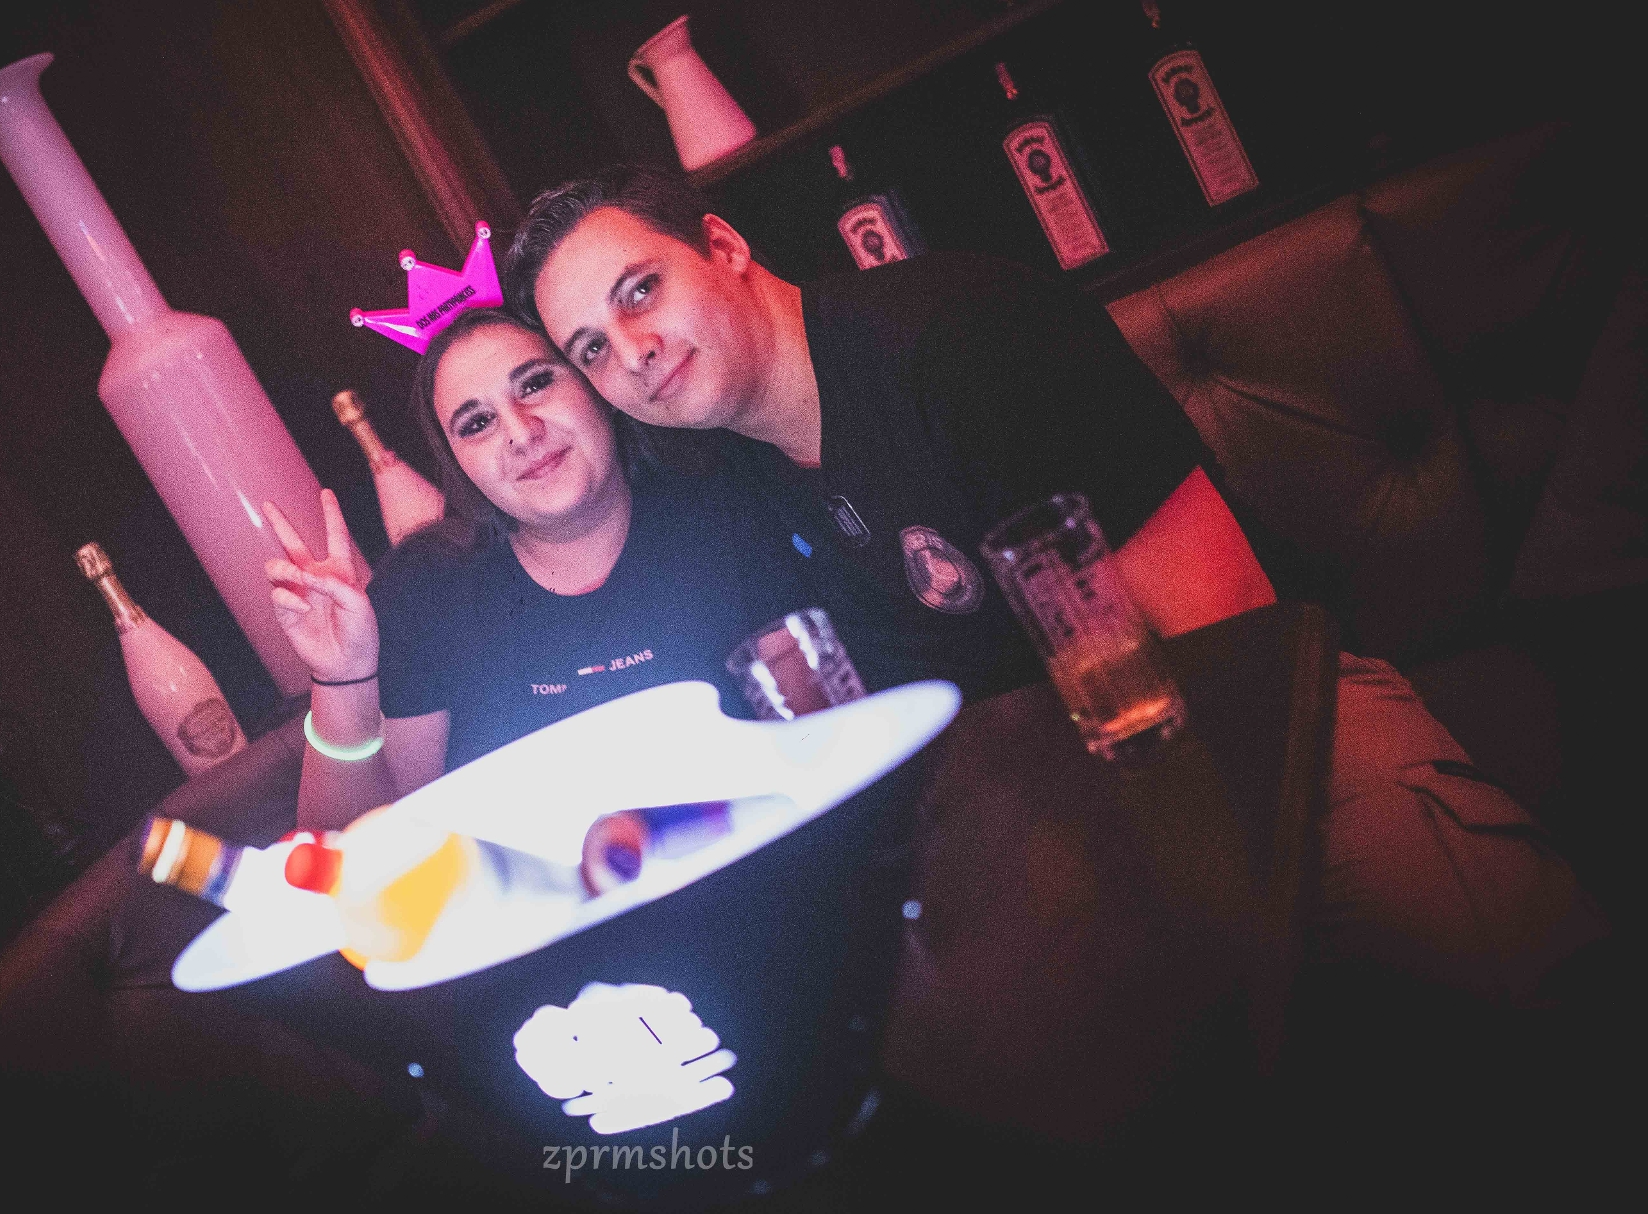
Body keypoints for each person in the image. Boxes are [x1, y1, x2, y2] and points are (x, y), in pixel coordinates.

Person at [504, 164, 1606, 1003]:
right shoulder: (739, 481)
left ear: (723, 245)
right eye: (590, 348)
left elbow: (1235, 629)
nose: (631, 351)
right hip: (1072, 846)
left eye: (641, 291)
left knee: (1537, 1009)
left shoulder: (957, 340)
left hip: (1283, 739)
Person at [263, 307, 811, 830]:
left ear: (592, 386)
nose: (522, 433)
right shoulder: (425, 591)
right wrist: (342, 680)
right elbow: (354, 849)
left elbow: (817, 741)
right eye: (477, 423)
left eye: (534, 384)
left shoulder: (724, 504)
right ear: (458, 464)